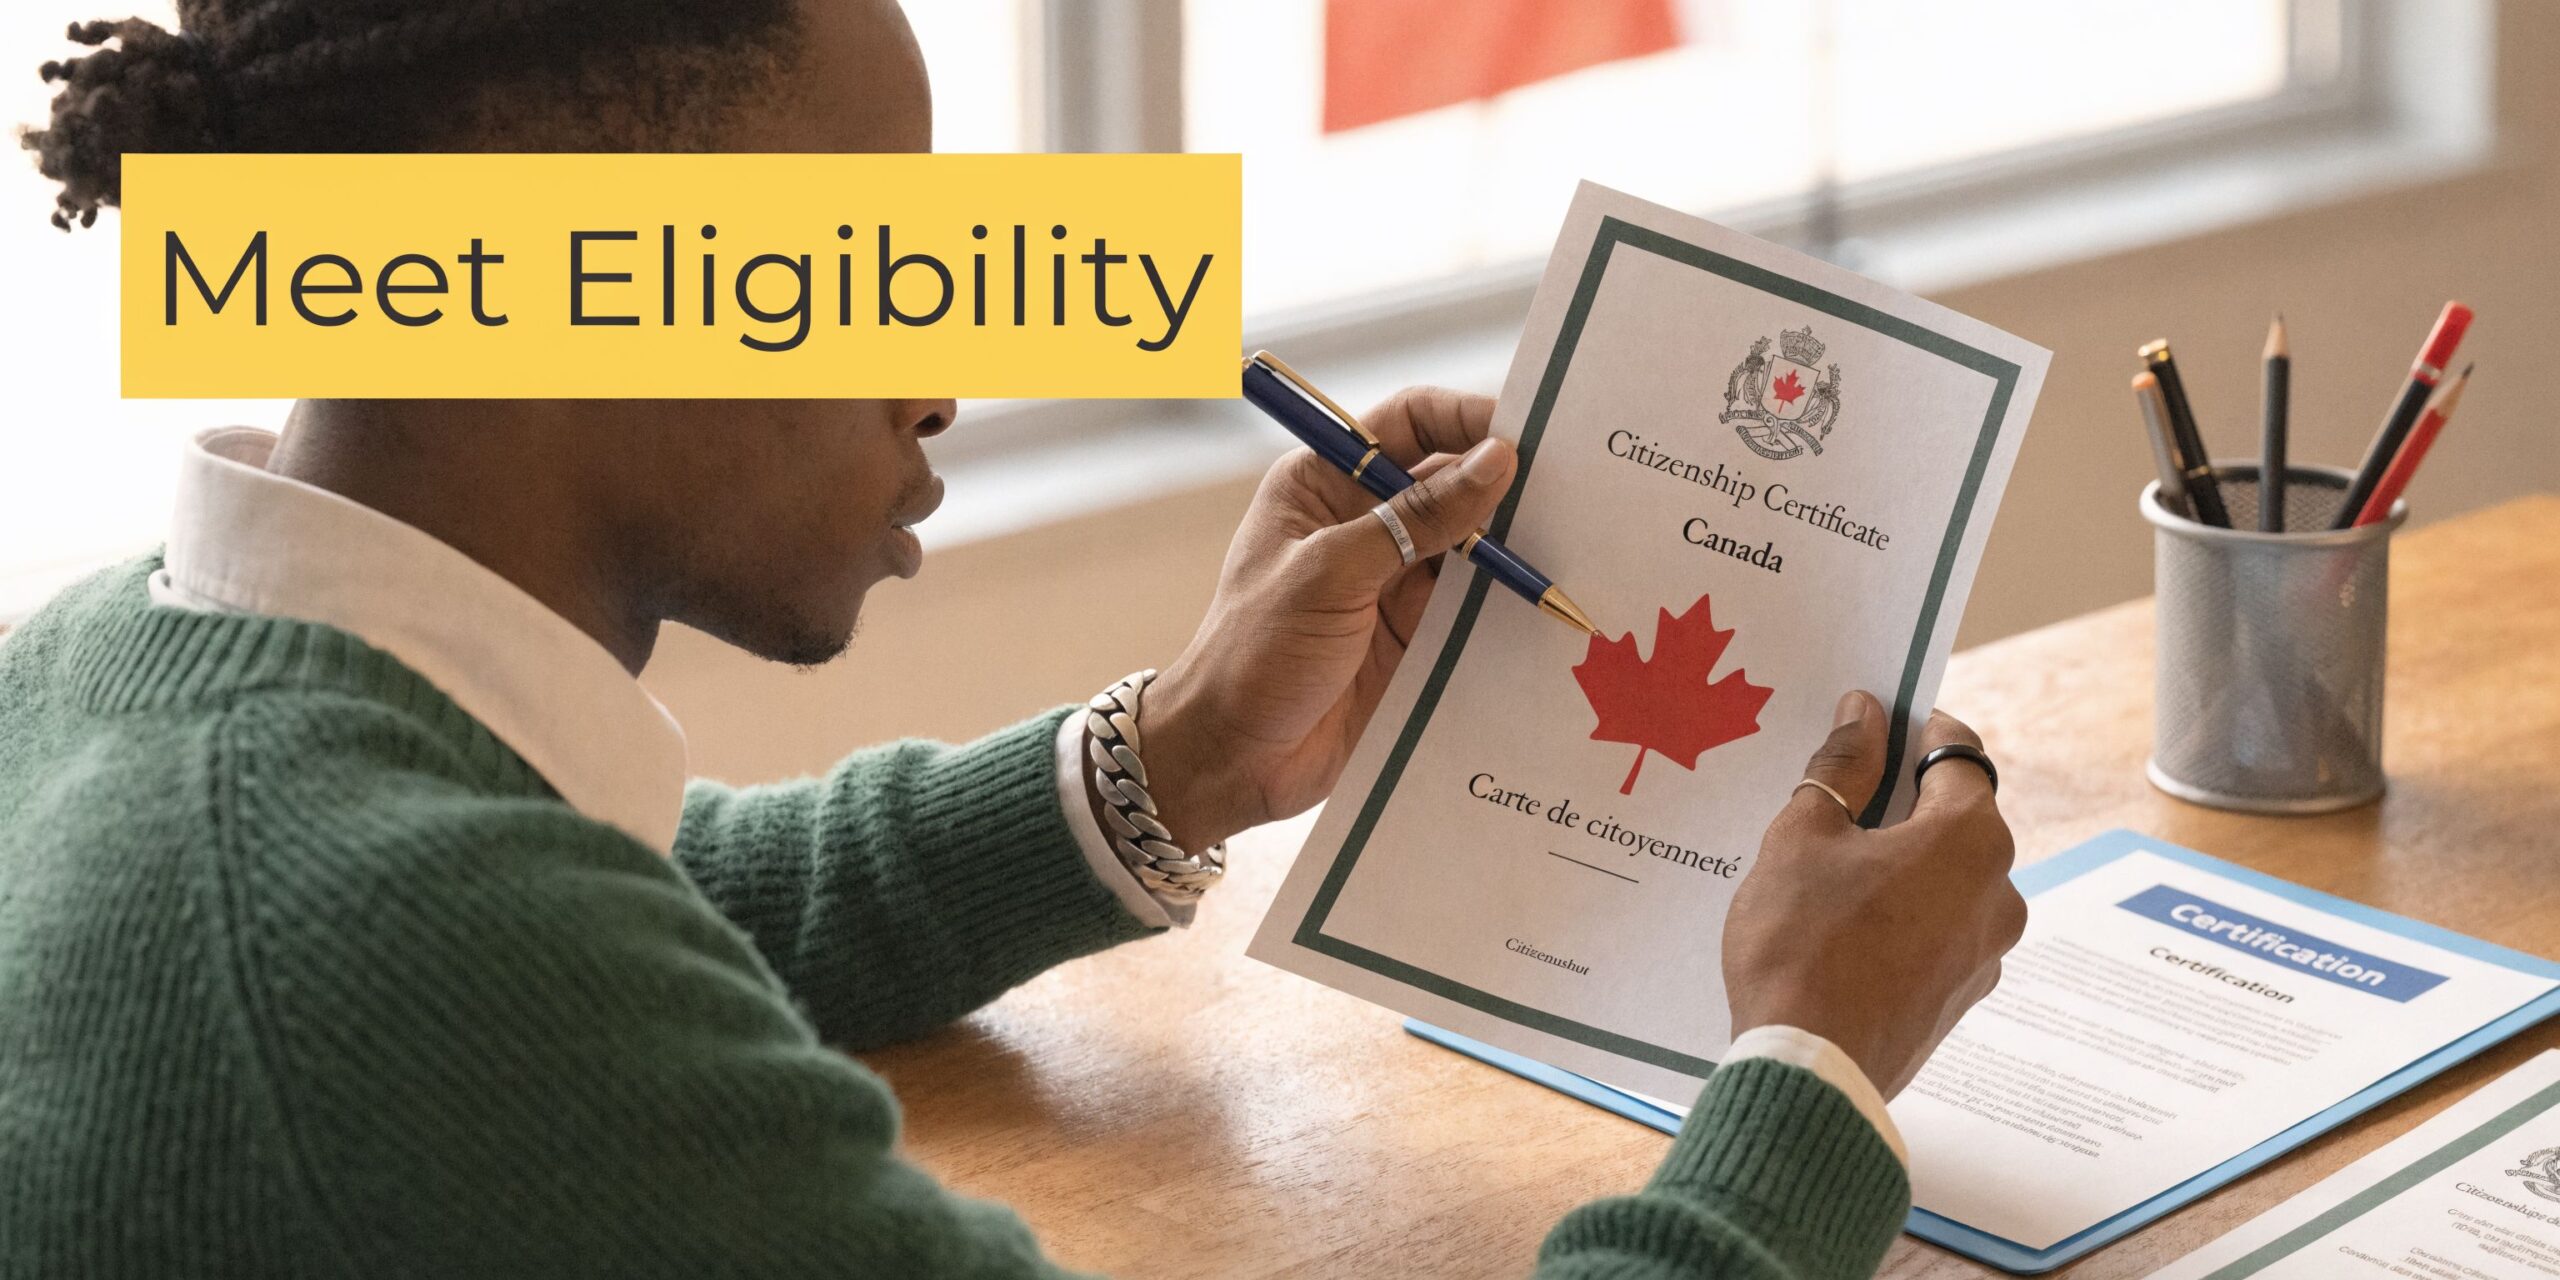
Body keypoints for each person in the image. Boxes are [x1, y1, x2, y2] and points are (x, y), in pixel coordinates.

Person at [1, 2, 2027, 1276]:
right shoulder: (423, 974)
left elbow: (653, 906)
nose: (944, 359)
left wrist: (1175, 757)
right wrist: (1808, 1072)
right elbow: (523, 973)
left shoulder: (109, 676)